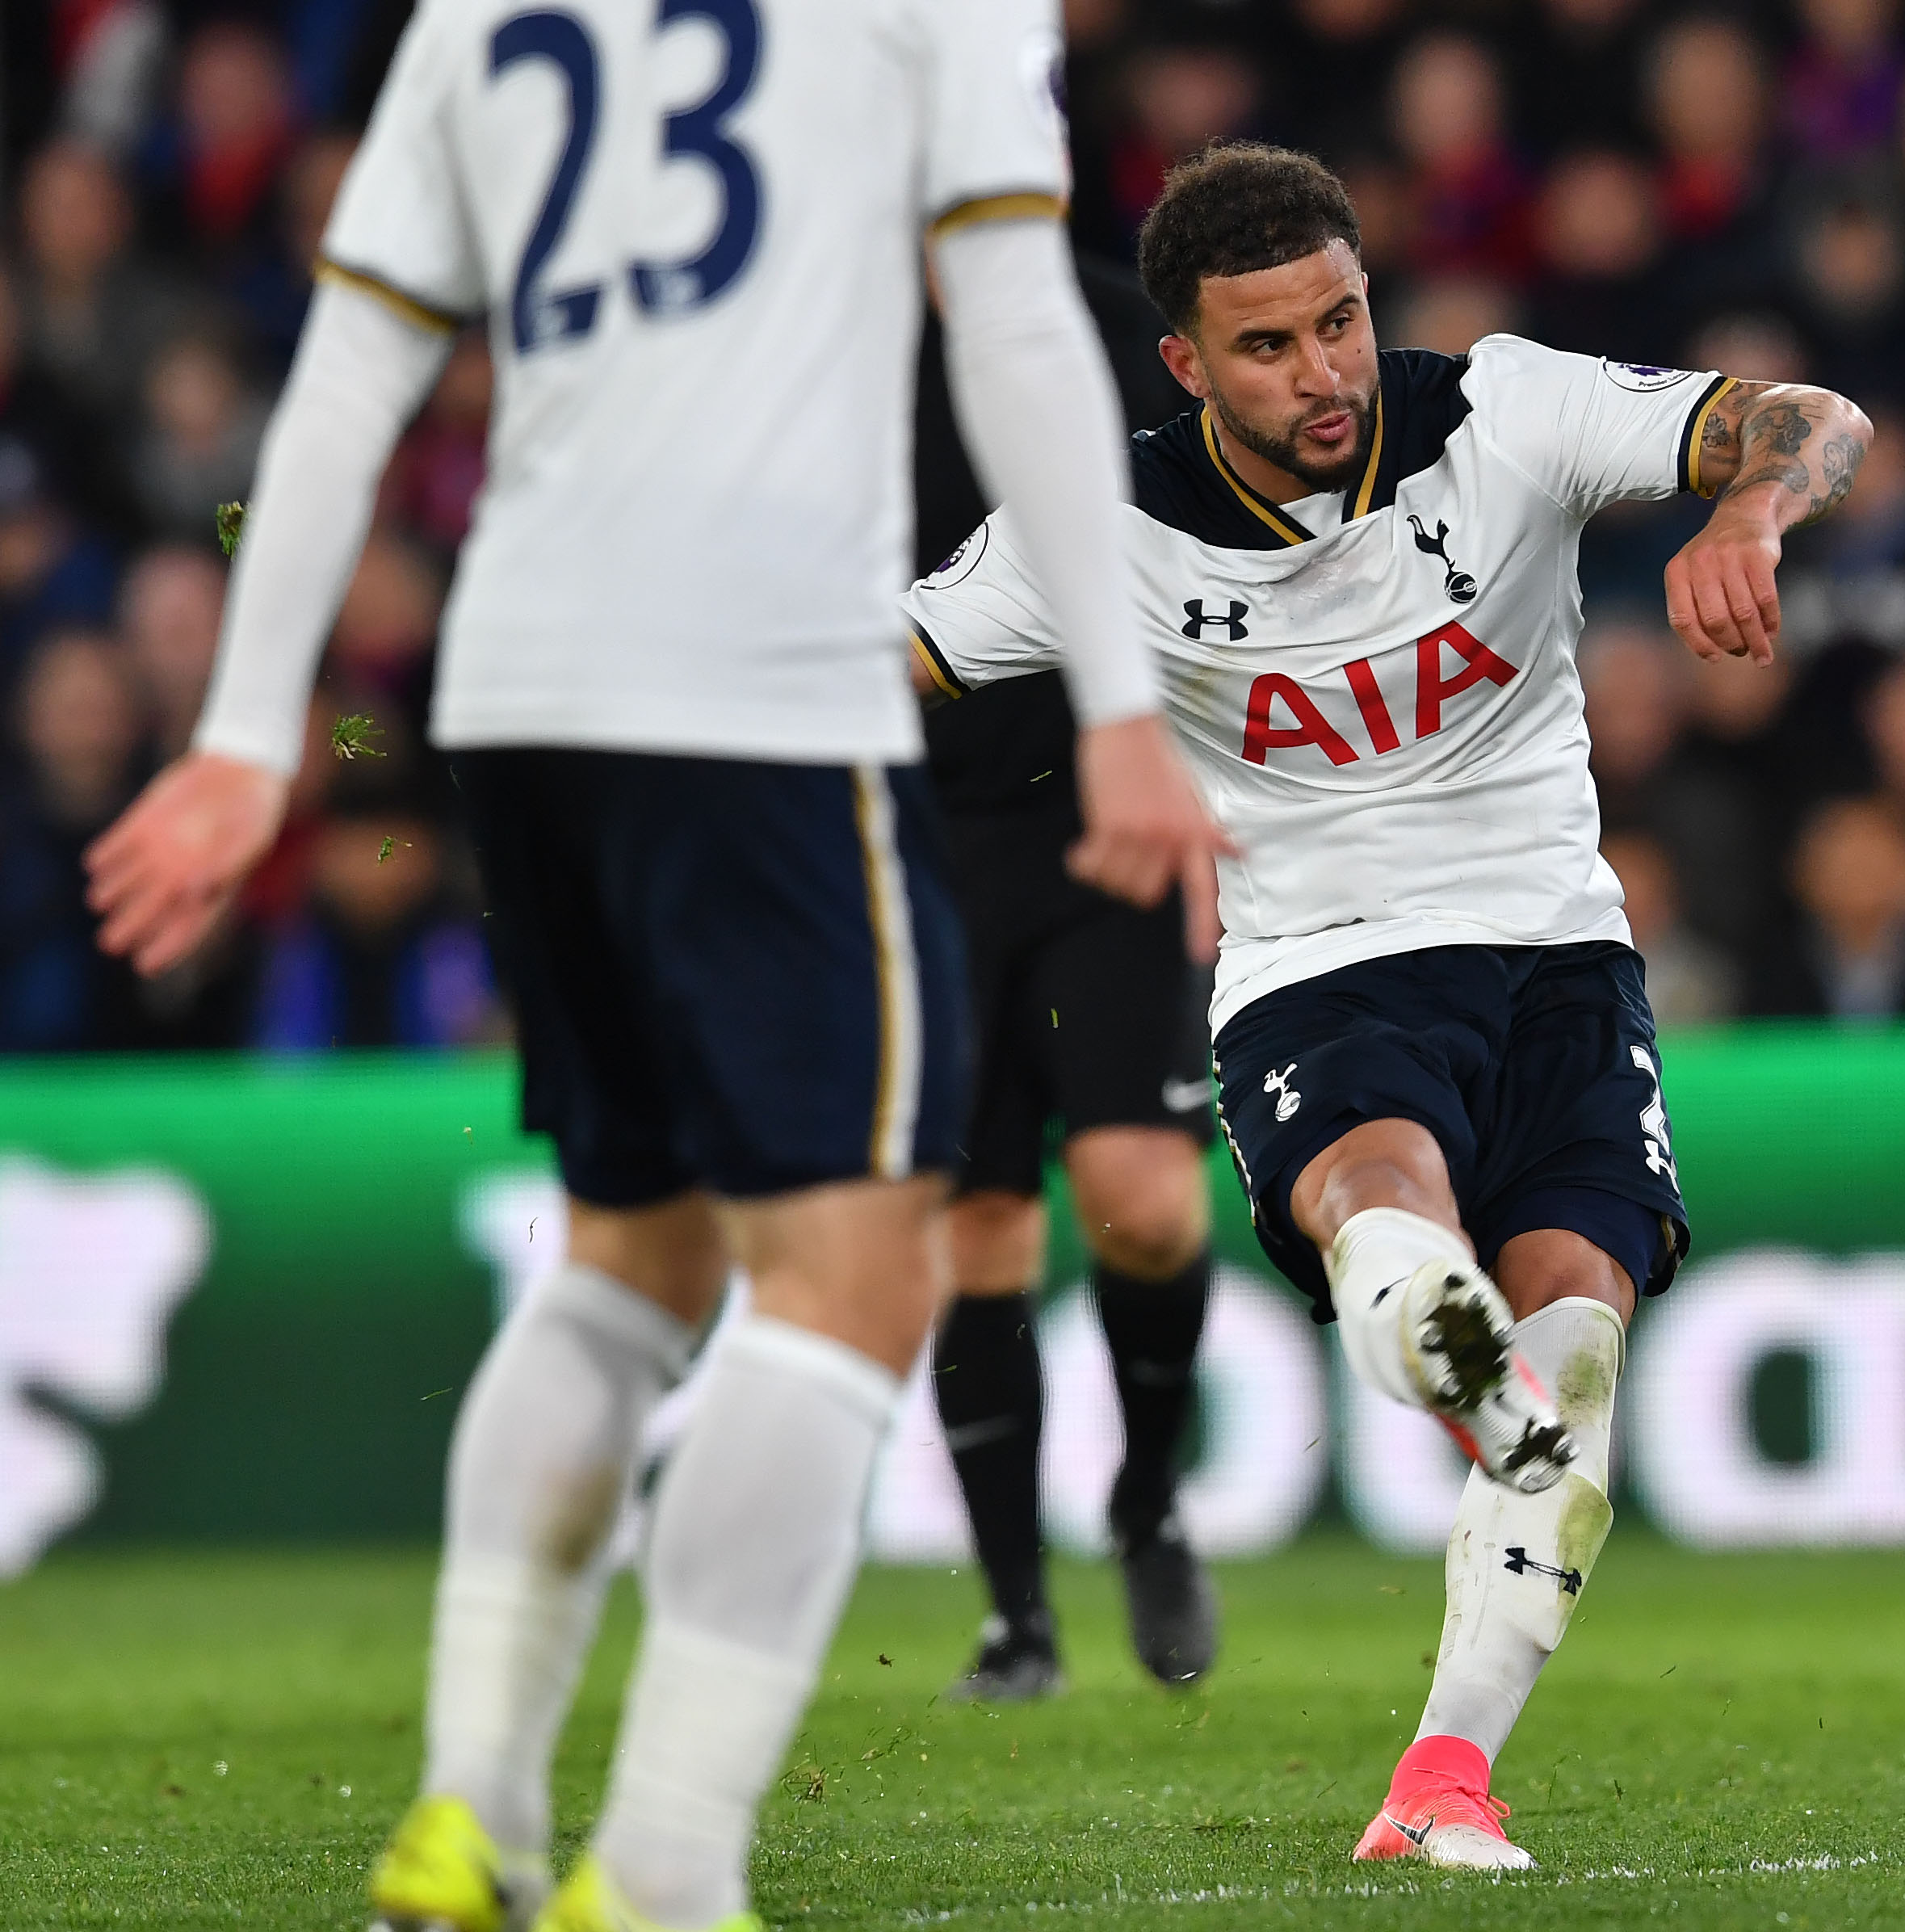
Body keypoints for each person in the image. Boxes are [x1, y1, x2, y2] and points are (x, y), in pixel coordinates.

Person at [79, 2, 1228, 1930]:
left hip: (520, 687)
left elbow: (357, 356)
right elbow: (1019, 318)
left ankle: (473, 1822)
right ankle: (672, 1865)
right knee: (860, 1272)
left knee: (634, 1252)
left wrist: (244, 723)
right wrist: (1120, 698)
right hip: (764, 687)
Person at [908, 142, 1870, 1871]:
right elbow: (876, 659)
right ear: (1186, 364)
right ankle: (1431, 1326)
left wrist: (1750, 506)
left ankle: (1442, 1775)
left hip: (1564, 953)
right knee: (1382, 1182)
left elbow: (1815, 414)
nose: (1324, 371)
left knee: (1578, 1320)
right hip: (1321, 960)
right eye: (1267, 345)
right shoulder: (1093, 524)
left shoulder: (1508, 411)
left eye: (1339, 321)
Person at [920, 594, 1223, 1708]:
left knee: (1142, 1202)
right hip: (918, 834)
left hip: (1106, 812)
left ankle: (1146, 1498)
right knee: (977, 1228)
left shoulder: (1110, 407)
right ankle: (1019, 1618)